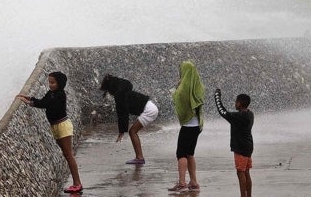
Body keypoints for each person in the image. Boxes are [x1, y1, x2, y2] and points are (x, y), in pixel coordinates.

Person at [16, 71, 83, 194]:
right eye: (49, 82)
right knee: (66, 154)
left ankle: (77, 184)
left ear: (60, 83)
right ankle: (76, 183)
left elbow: (44, 104)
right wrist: (29, 98)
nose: (50, 85)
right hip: (56, 127)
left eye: (53, 82)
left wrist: (29, 102)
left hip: (63, 126)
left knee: (69, 155)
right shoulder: (51, 93)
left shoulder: (60, 95)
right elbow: (42, 101)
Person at [99, 74, 159, 165]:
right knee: (133, 131)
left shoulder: (120, 96)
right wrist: (122, 130)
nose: (109, 94)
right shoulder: (124, 88)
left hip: (149, 110)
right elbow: (123, 113)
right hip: (151, 106)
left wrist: (121, 131)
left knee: (132, 132)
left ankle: (140, 158)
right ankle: (139, 157)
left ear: (110, 88)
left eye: (108, 91)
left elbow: (123, 114)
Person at [168, 61, 205, 193]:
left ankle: (182, 183)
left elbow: (178, 100)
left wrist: (175, 89)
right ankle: (194, 182)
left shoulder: (183, 88)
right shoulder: (198, 85)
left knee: (181, 154)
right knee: (190, 153)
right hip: (197, 125)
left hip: (188, 125)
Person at [214, 88, 254, 197]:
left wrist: (217, 96)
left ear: (240, 103)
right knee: (246, 172)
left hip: (240, 148)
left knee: (240, 173)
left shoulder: (238, 116)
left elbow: (222, 112)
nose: (234, 104)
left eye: (236, 102)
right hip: (248, 146)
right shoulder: (250, 114)